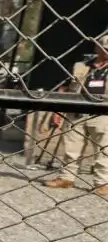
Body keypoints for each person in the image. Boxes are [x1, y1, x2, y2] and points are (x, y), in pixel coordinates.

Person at [47, 33, 108, 193]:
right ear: (97, 47)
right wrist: (57, 109)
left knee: (104, 150)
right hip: (77, 112)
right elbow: (64, 87)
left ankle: (102, 183)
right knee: (71, 148)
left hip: (103, 114)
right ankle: (66, 178)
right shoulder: (80, 66)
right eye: (105, 48)